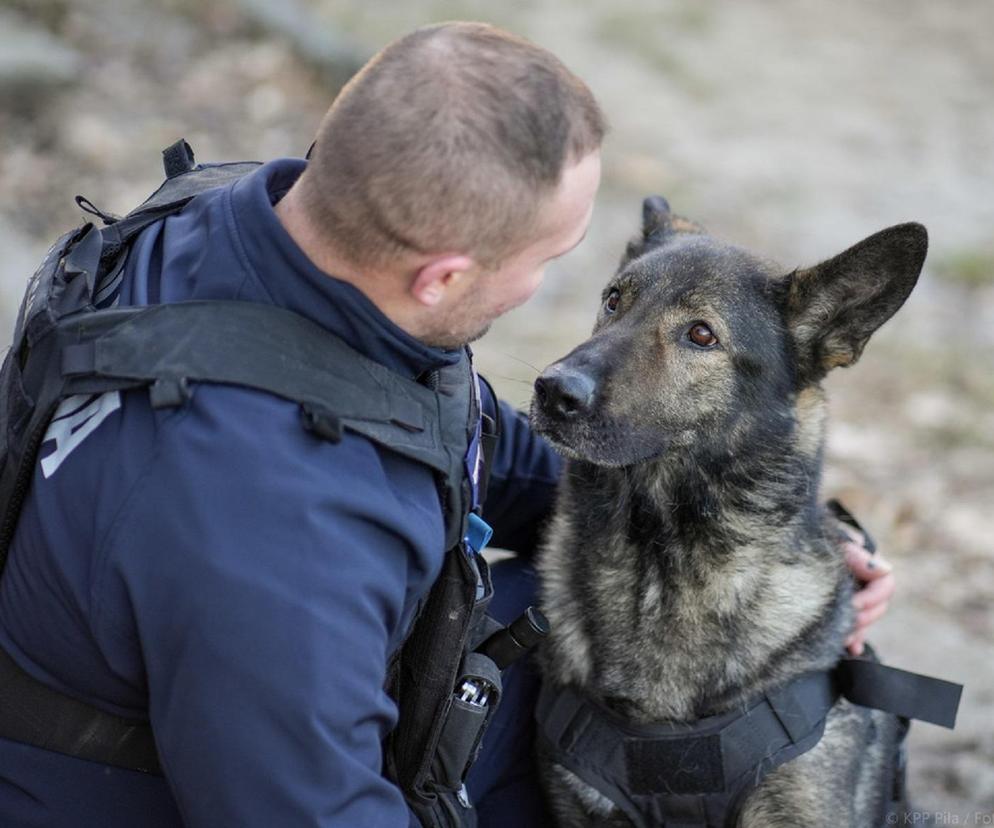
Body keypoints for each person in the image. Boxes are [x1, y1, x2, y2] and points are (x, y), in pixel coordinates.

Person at [0, 21, 894, 828]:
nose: (555, 293)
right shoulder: (270, 535)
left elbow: (470, 444)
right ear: (445, 278)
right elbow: (317, 813)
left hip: (248, 682)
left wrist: (787, 542)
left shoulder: (265, 235)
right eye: (552, 260)